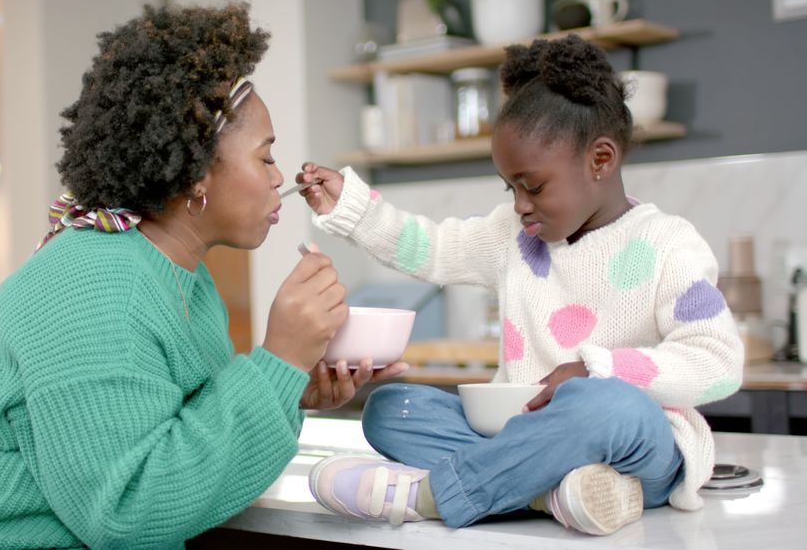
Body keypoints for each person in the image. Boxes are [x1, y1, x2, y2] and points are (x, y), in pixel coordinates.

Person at [0, 2, 404, 549]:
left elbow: (177, 447)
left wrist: (287, 389)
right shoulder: (97, 285)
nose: (279, 175)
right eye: (265, 157)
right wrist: (278, 361)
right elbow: (128, 511)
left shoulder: (180, 277)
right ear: (195, 173)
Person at [299, 35, 744, 535]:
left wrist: (597, 370)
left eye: (533, 186)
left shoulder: (669, 244)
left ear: (600, 160)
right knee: (390, 409)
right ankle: (551, 493)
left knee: (607, 404)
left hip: (638, 447)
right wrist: (355, 211)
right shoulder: (511, 236)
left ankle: (435, 495)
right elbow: (434, 248)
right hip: (520, 433)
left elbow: (719, 363)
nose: (519, 205)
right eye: (509, 188)